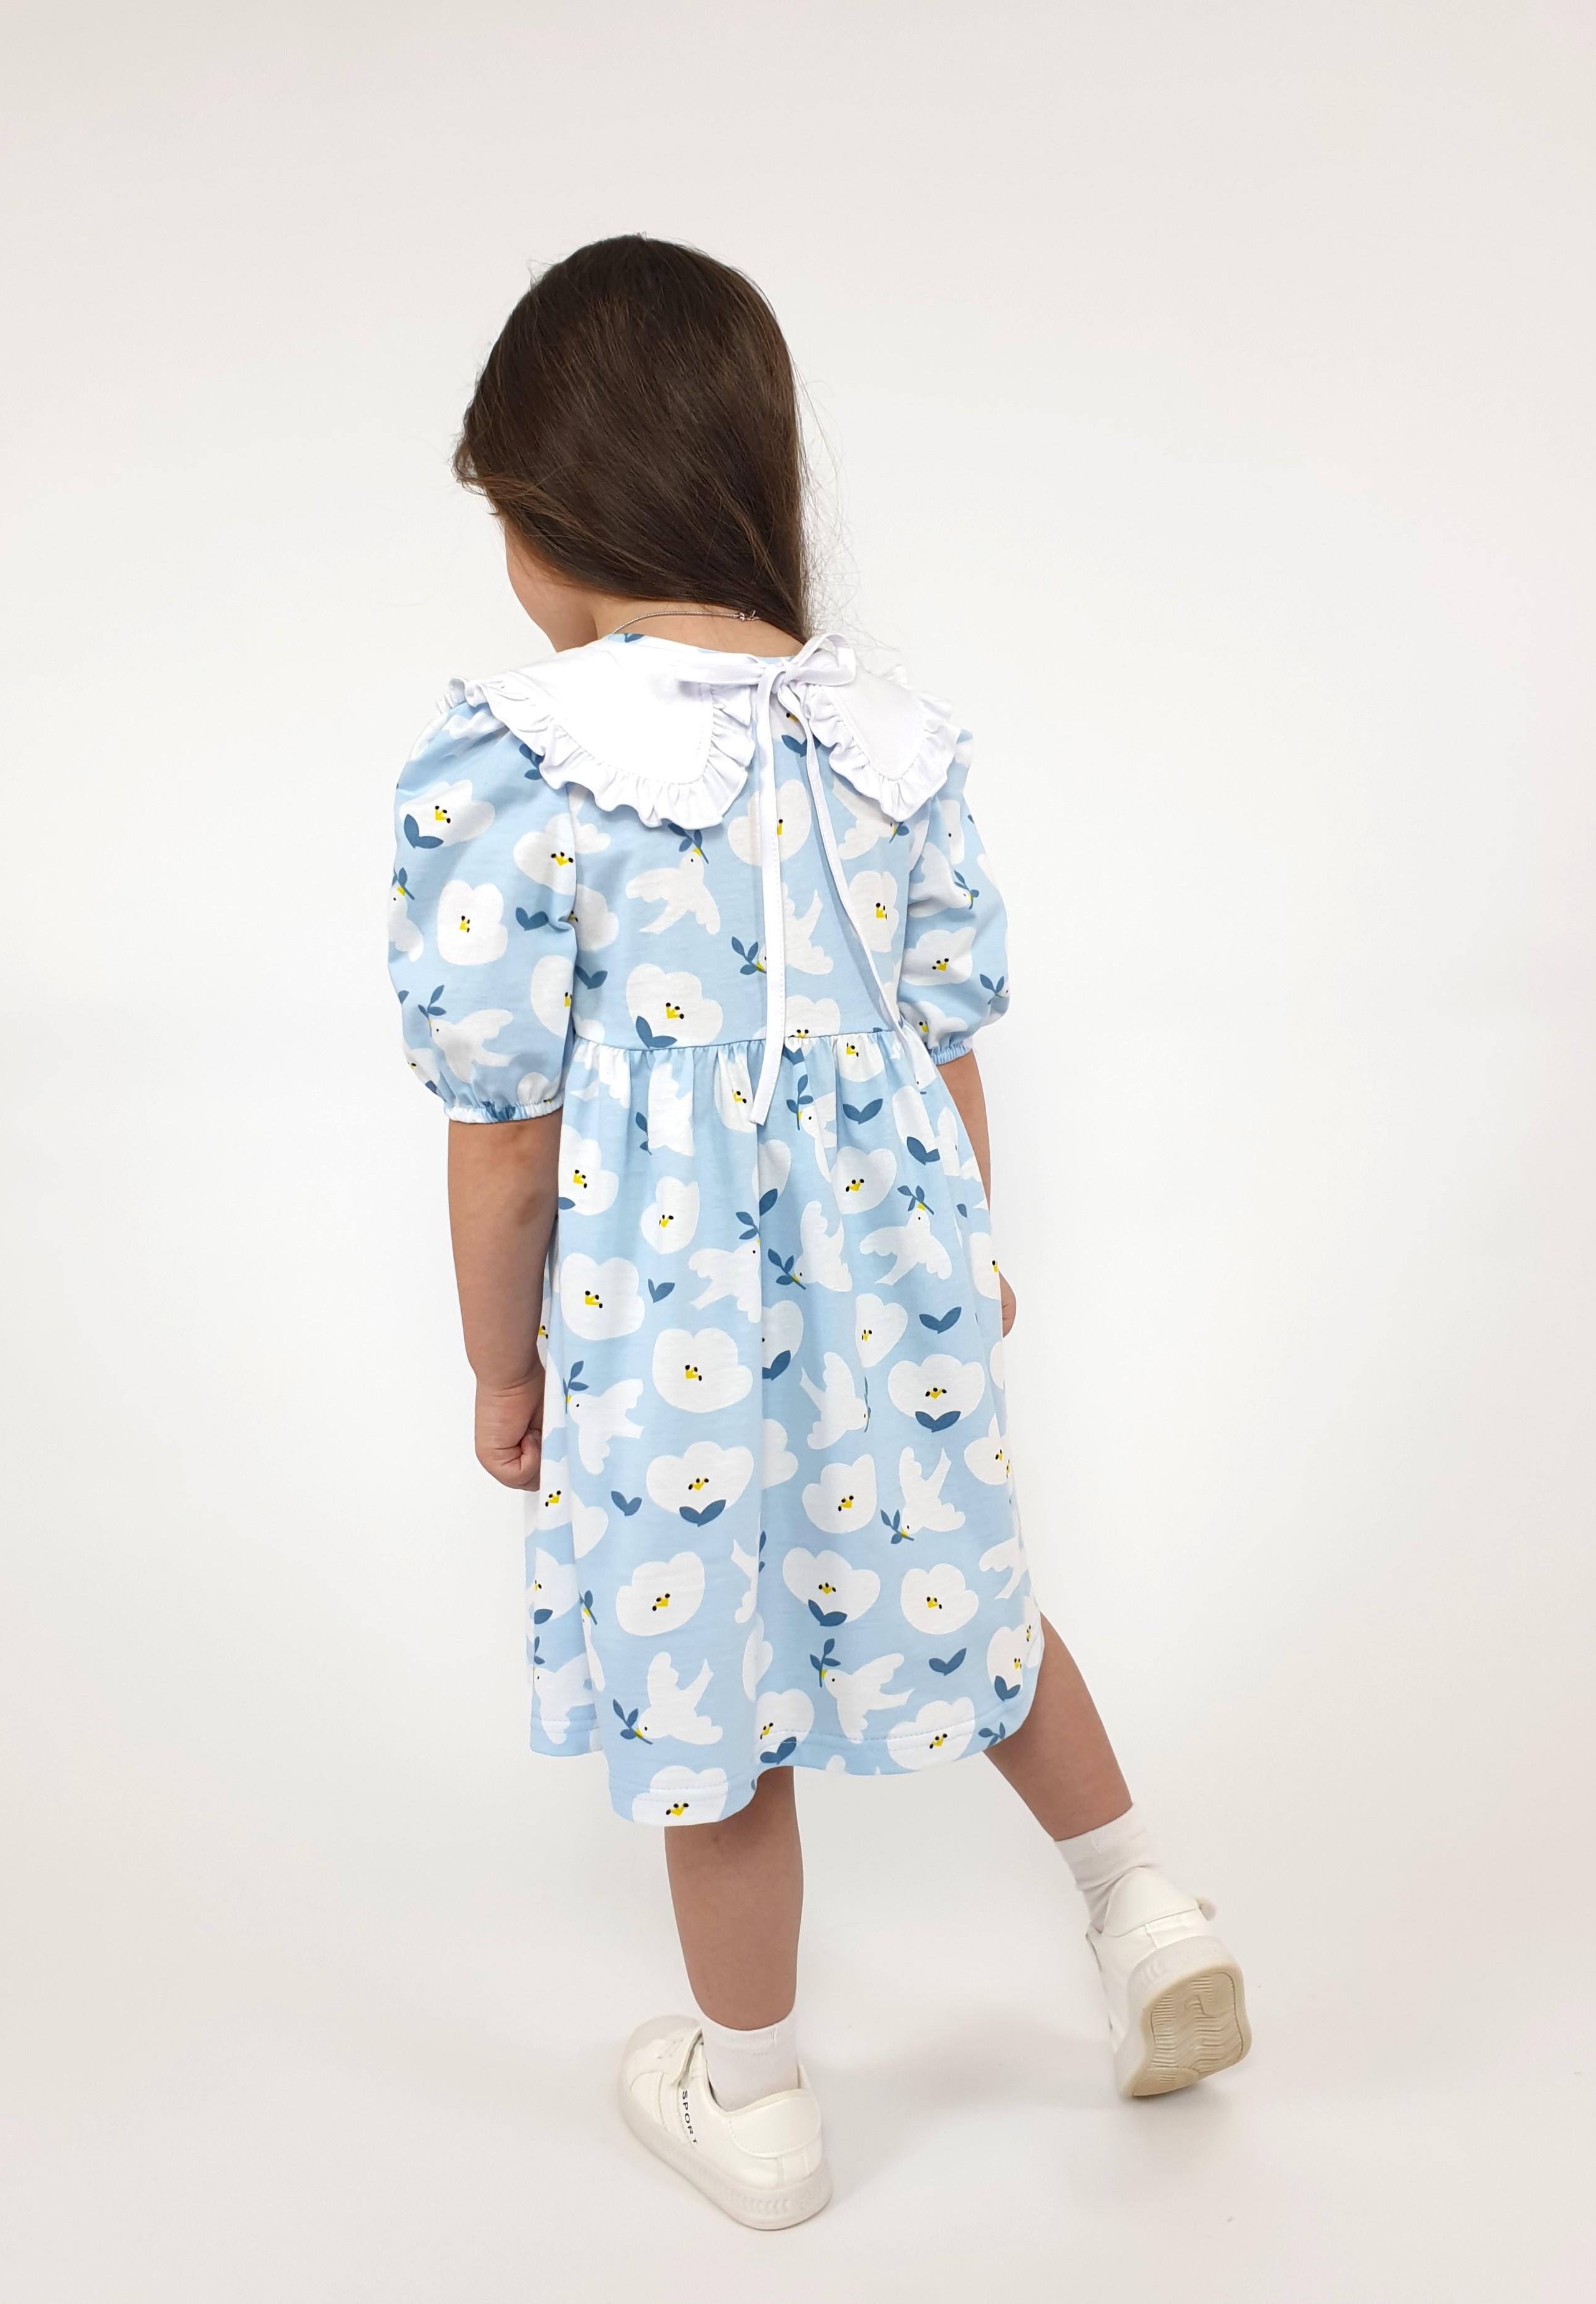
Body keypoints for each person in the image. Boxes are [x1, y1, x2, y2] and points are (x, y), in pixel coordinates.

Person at [386, 234, 1250, 2229]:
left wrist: (502, 1365)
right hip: (904, 1279)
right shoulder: (883, 739)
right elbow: (945, 1045)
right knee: (981, 1604)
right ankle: (1145, 1912)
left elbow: (502, 1133)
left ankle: (756, 2100)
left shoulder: (526, 764)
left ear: (558, 503)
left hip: (662, 1323)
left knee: (714, 1701)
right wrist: (969, 1254)